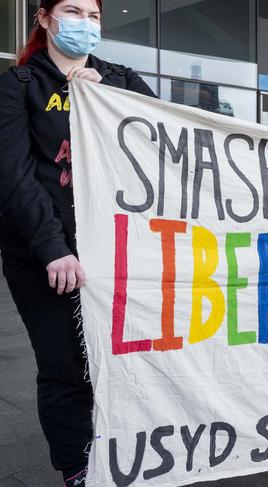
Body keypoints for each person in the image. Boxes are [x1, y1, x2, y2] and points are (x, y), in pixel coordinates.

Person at [0, 1, 155, 485]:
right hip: (47, 255)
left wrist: (109, 102)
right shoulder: (16, 86)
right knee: (65, 363)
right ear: (43, 18)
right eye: (73, 11)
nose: (85, 24)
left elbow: (167, 140)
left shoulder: (121, 81)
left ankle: (128, 449)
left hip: (116, 250)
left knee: (127, 358)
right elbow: (13, 178)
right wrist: (51, 247)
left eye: (93, 15)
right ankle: (78, 467)